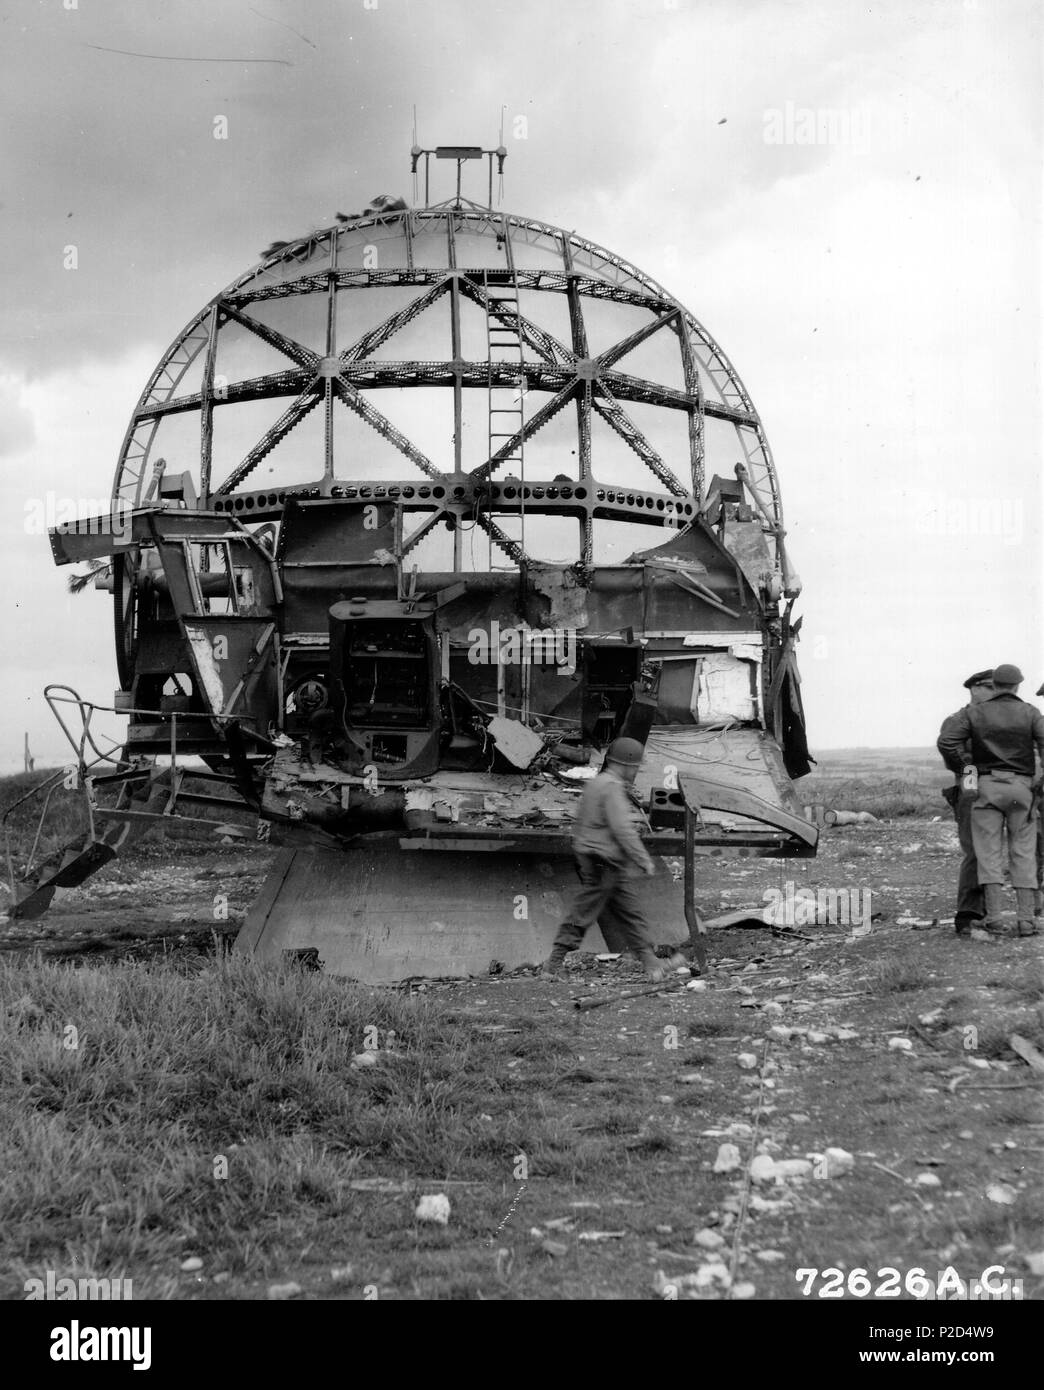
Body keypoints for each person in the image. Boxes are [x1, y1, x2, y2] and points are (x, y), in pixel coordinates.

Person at [541, 737, 673, 980]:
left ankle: (651, 961)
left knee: (628, 910)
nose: (636, 771)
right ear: (626, 764)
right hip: (605, 860)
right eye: (635, 766)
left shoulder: (596, 783)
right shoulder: (612, 787)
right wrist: (642, 858)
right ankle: (554, 965)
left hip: (598, 858)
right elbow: (622, 828)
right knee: (586, 911)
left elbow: (581, 823)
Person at [938, 663, 1044, 938]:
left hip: (983, 788)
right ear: (1018, 685)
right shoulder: (1030, 712)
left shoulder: (970, 714)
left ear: (995, 685)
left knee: (985, 854)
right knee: (1023, 853)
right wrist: (1038, 781)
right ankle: (1025, 921)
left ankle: (993, 919)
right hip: (1020, 788)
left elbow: (947, 743)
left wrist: (970, 771)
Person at [936, 670, 993, 937]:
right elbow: (949, 748)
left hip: (998, 787)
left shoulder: (996, 718)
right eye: (989, 686)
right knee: (975, 850)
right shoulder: (959, 719)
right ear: (974, 688)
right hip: (970, 786)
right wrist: (972, 771)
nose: (996, 691)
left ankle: (989, 910)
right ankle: (969, 914)